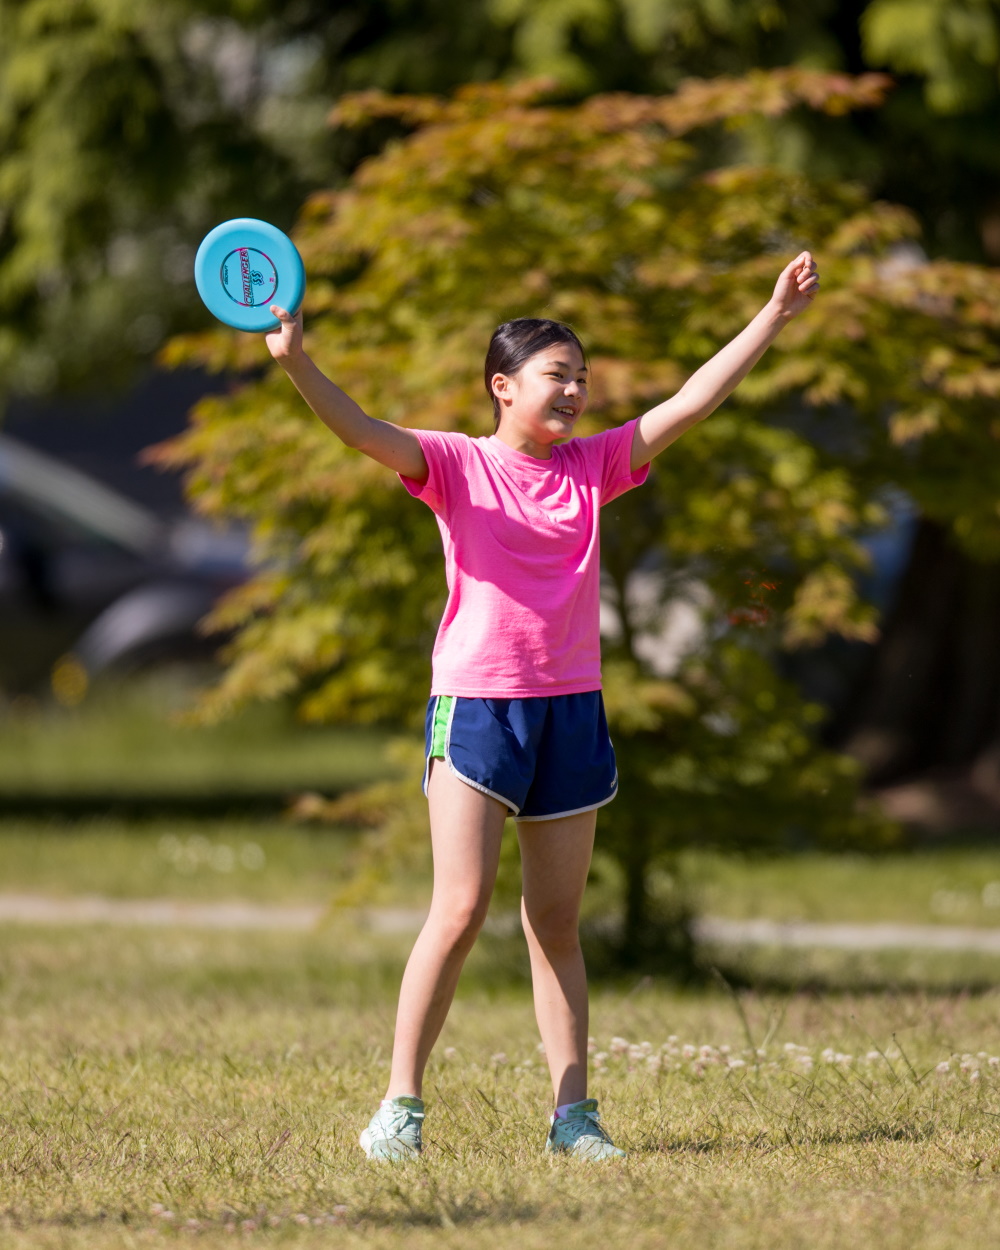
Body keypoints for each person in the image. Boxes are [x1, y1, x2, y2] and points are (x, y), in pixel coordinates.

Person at [264, 250, 820, 1161]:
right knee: (460, 908)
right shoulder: (453, 464)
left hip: (571, 710)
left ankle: (574, 1120)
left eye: (583, 380)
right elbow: (362, 431)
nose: (574, 393)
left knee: (554, 924)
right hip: (478, 707)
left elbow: (689, 402)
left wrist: (772, 318)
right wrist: (295, 364)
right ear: (502, 386)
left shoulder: (592, 468)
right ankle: (399, 1109)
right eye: (558, 377)